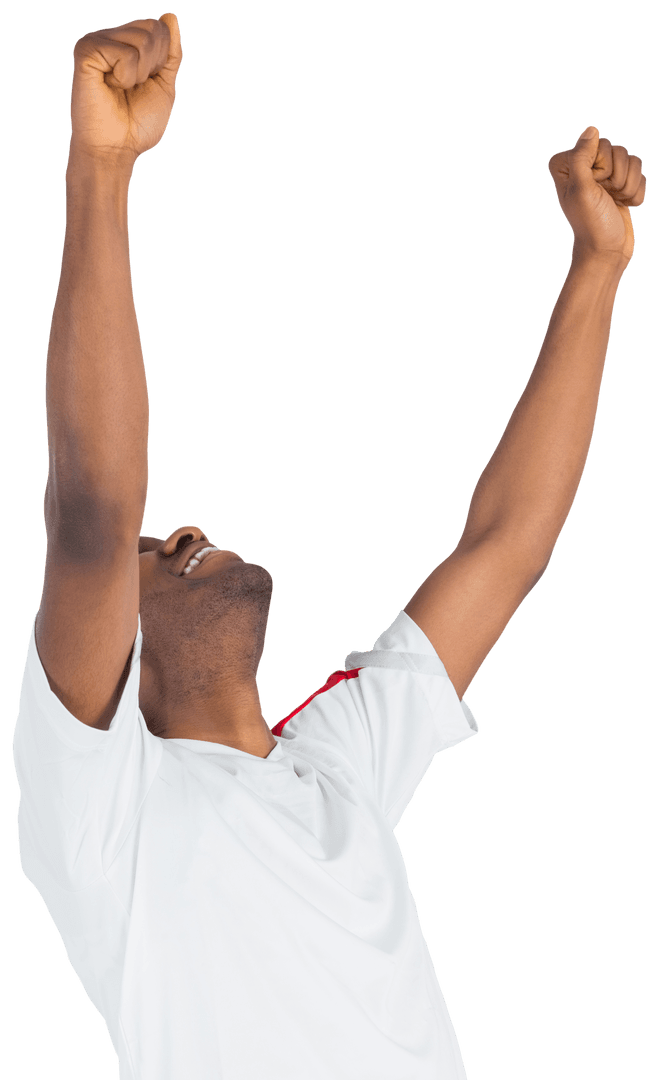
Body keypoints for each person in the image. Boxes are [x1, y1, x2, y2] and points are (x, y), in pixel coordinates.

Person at [11, 11, 647, 1080]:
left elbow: (505, 547)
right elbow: (93, 511)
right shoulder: (102, 809)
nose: (183, 531)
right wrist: (102, 168)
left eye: (166, 531)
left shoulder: (331, 766)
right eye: (150, 549)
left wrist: (598, 263)